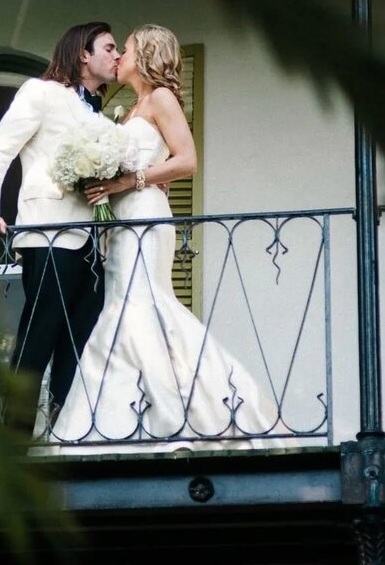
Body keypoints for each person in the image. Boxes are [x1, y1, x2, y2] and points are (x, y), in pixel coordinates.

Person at [53, 24, 280, 451]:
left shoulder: (160, 98)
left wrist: (125, 182)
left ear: (148, 54)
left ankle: (194, 414)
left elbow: (187, 160)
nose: (119, 55)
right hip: (123, 223)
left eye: (129, 48)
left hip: (144, 219)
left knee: (143, 308)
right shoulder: (130, 107)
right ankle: (126, 425)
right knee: (123, 312)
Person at [0, 21, 121, 440]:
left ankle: (62, 431)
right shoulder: (40, 93)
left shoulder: (100, 112)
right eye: (109, 48)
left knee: (77, 341)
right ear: (83, 54)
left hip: (93, 244)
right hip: (48, 234)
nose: (117, 55)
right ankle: (14, 438)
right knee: (39, 335)